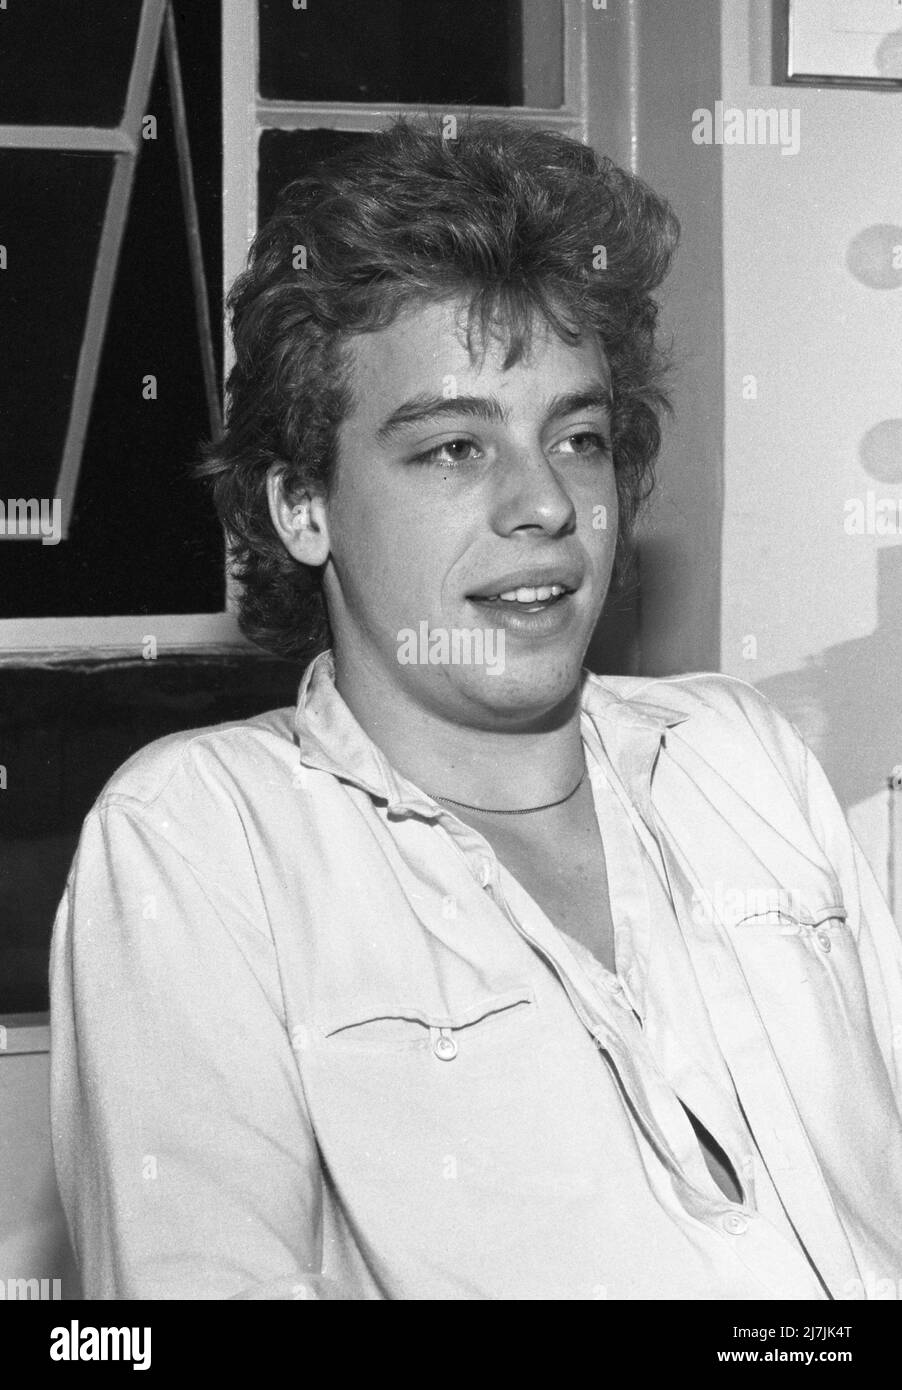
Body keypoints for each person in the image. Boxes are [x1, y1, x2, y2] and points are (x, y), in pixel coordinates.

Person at [51, 115, 902, 1301]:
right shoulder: (205, 841)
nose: (544, 502)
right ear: (302, 504)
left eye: (580, 437)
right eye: (454, 447)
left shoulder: (738, 756)